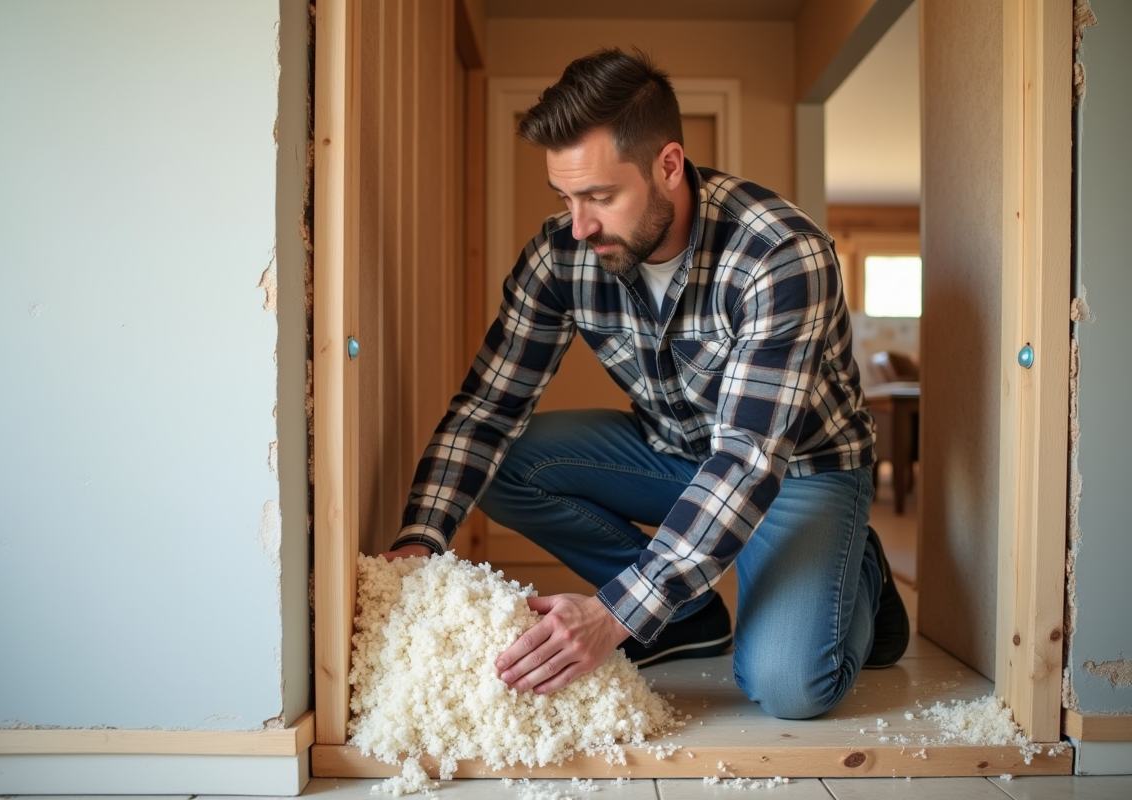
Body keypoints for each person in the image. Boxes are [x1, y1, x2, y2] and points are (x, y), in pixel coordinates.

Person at [385, 47, 908, 720]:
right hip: (672, 450)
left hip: (798, 469)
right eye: (566, 197)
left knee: (788, 688)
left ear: (668, 164)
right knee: (504, 462)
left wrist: (614, 611)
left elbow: (747, 460)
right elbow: (487, 409)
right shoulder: (562, 254)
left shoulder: (780, 255)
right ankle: (686, 614)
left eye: (600, 196)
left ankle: (856, 565)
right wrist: (420, 540)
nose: (579, 225)